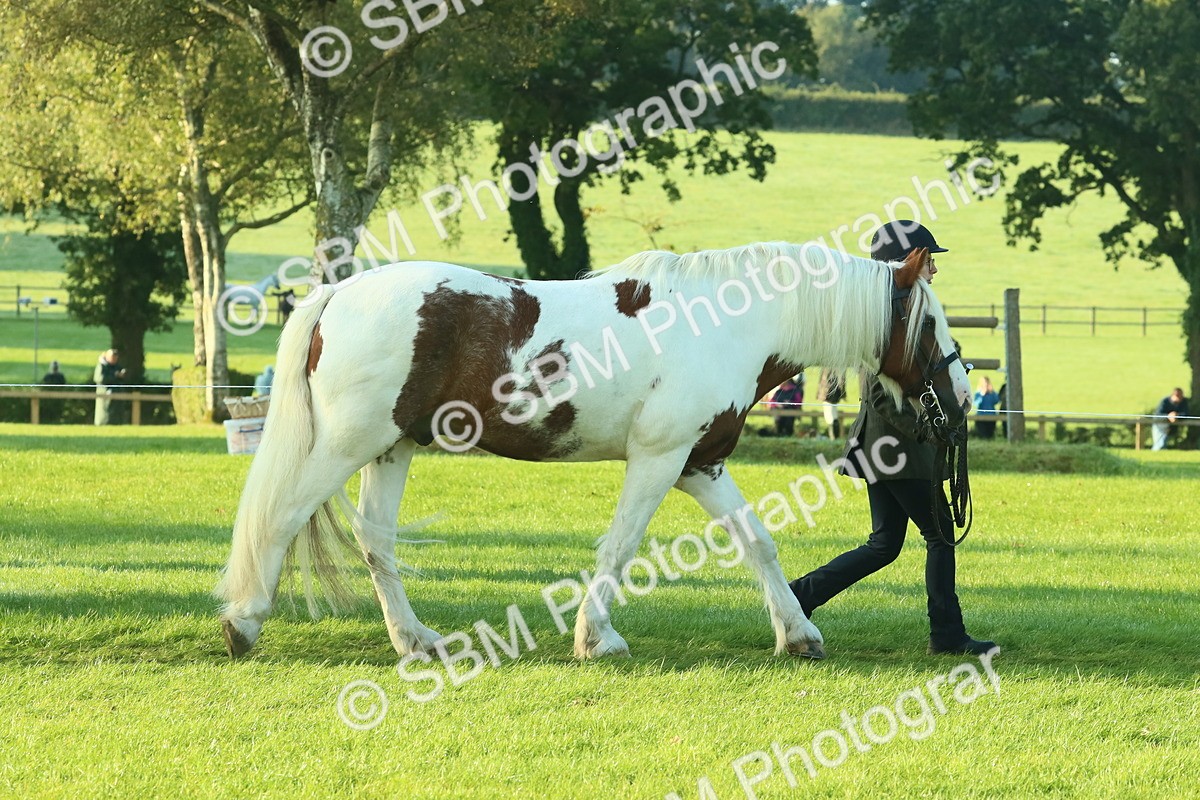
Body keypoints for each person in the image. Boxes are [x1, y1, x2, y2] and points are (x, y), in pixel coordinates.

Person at [789, 220, 996, 657]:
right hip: (898, 448)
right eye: (929, 258)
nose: (934, 269)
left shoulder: (902, 307)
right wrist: (930, 429)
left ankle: (799, 597)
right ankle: (948, 634)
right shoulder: (888, 312)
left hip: (885, 449)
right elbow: (880, 394)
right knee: (938, 536)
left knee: (884, 544)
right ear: (908, 260)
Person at [93, 349, 126, 426]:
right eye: (112, 357)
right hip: (104, 395)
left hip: (117, 394)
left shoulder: (117, 366)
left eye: (115, 358)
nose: (114, 359)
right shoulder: (102, 366)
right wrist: (115, 375)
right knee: (105, 415)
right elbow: (99, 378)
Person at [818, 368, 846, 439]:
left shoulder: (828, 367)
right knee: (833, 416)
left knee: (830, 417)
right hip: (834, 394)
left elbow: (825, 381)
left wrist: (822, 394)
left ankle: (833, 437)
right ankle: (834, 436)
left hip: (829, 394)